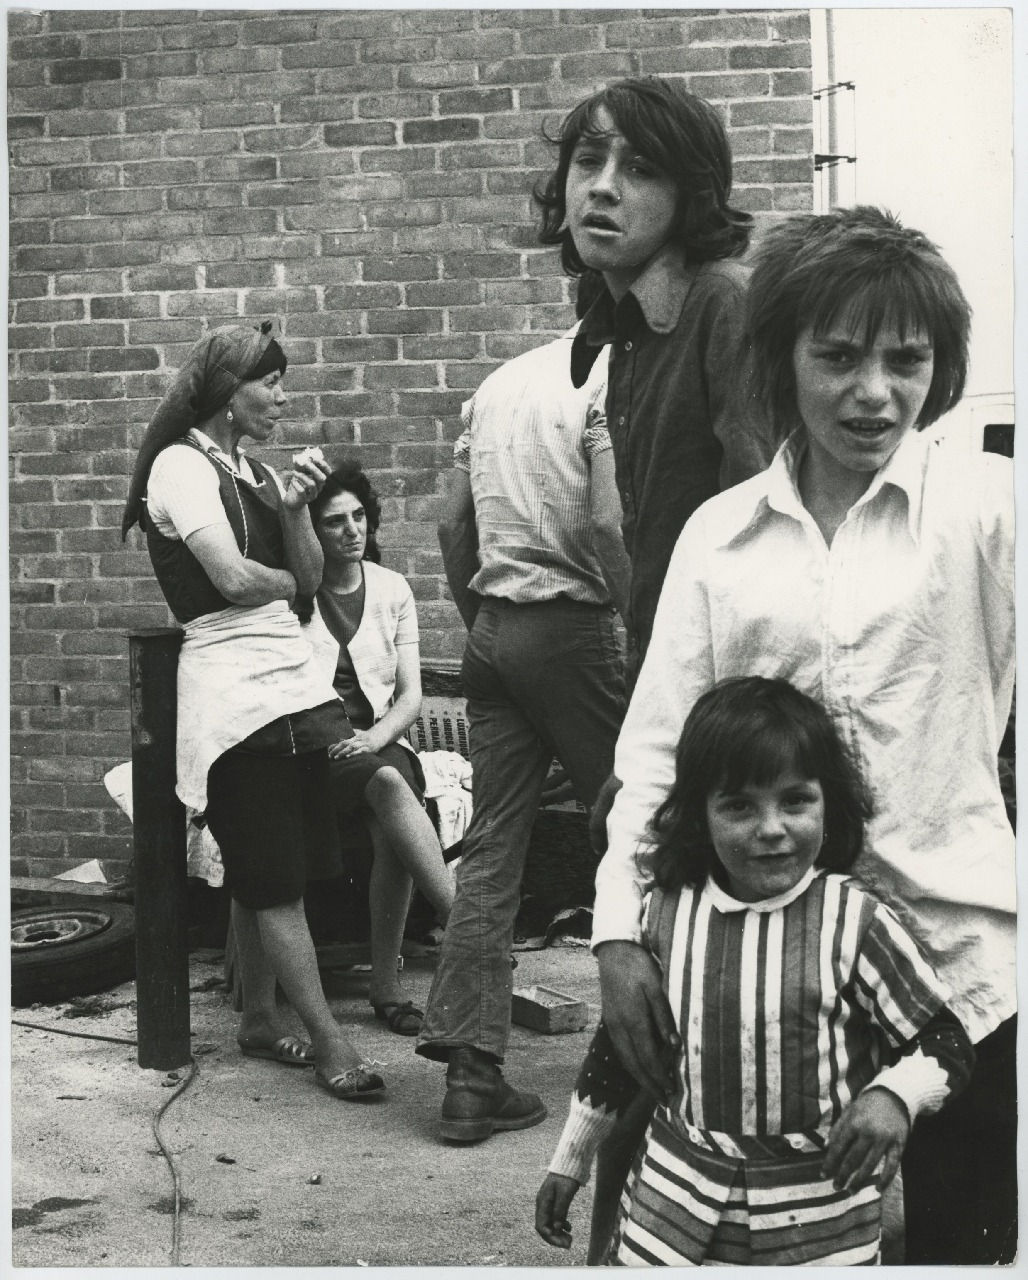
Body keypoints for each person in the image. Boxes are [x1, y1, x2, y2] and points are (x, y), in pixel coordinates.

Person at [591, 207, 1015, 1263]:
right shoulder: (720, 539)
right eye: (835, 357)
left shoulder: (986, 514)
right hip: (745, 980)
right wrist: (614, 936)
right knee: (727, 1233)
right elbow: (654, 754)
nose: (872, 392)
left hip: (956, 968)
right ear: (779, 355)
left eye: (904, 360)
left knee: (962, 1245)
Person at [535, 75, 775, 1256]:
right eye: (588, 160)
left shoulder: (725, 310)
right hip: (663, 685)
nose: (600, 187)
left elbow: (752, 522)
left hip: (724, 708)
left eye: (634, 167)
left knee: (685, 979)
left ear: (691, 194)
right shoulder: (622, 332)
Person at [536, 677, 975, 1265]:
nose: (772, 827)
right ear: (699, 813)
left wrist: (893, 1097)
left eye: (796, 800)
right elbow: (624, 1046)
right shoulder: (665, 912)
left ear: (828, 802)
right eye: (739, 805)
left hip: (815, 1219)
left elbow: (945, 1040)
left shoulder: (855, 922)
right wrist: (571, 1158)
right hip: (674, 1204)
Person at [122, 321, 383, 1100]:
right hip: (233, 690)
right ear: (226, 396)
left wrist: (298, 509)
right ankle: (332, 1045)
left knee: (286, 864)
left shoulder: (260, 473)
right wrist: (285, 584)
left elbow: (312, 576)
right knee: (276, 883)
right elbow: (234, 581)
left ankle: (261, 1019)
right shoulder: (178, 467)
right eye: (269, 381)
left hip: (294, 682)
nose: (281, 395)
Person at [414, 280, 630, 1143]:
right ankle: (668, 1057)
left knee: (494, 847)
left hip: (495, 630)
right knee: (643, 825)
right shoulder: (612, 377)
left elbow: (448, 526)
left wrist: (490, 634)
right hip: (576, 625)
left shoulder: (500, 383)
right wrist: (647, 635)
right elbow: (611, 528)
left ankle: (471, 1077)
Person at [309, 461, 454, 1036]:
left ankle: (387, 986)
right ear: (311, 531)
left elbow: (411, 694)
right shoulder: (296, 592)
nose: (351, 530)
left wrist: (374, 737)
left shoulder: (392, 588)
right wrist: (344, 741)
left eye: (358, 516)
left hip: (379, 741)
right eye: (333, 522)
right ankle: (465, 929)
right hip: (318, 749)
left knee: (392, 802)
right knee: (391, 788)